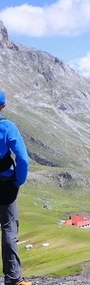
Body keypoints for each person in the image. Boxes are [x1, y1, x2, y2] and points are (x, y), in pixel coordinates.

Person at [0, 90, 32, 285]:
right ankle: (13, 279)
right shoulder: (7, 127)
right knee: (9, 230)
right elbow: (22, 159)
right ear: (3, 106)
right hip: (5, 187)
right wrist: (18, 181)